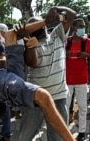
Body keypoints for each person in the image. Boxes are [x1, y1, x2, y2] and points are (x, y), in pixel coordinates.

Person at [0, 31, 75, 141]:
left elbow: (5, 62)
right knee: (43, 96)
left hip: (7, 74)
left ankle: (46, 21)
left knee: (10, 34)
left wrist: (28, 45)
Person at [17, 6, 76, 141]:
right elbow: (32, 62)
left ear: (44, 25)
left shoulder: (57, 35)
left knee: (57, 138)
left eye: (37, 25)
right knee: (25, 137)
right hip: (35, 98)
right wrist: (27, 40)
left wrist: (55, 8)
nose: (35, 28)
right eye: (31, 27)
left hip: (58, 98)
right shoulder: (30, 44)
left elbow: (72, 15)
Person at [66, 18, 90, 140]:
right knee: (65, 107)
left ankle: (82, 132)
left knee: (82, 107)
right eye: (80, 26)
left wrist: (87, 56)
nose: (83, 29)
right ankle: (64, 129)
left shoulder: (87, 42)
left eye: (83, 26)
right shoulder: (66, 42)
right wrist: (64, 54)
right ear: (74, 28)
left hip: (82, 80)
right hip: (67, 80)